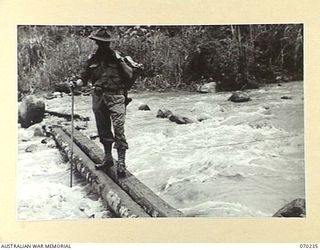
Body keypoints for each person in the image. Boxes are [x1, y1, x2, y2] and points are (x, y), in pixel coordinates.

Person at [77, 28, 134, 177]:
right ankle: (108, 158)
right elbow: (83, 79)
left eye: (105, 43)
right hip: (98, 96)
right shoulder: (92, 60)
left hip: (117, 96)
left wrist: (120, 61)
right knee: (103, 129)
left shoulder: (119, 57)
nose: (102, 46)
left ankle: (121, 162)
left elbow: (130, 74)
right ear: (96, 43)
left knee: (119, 129)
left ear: (109, 43)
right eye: (99, 43)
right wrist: (73, 84)